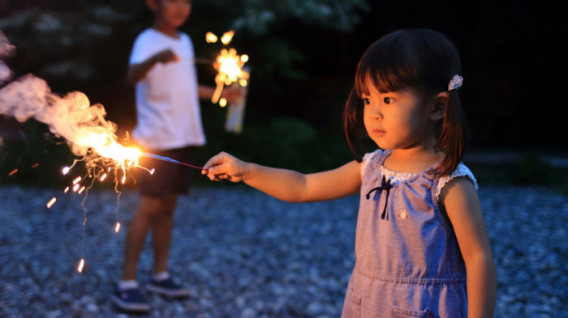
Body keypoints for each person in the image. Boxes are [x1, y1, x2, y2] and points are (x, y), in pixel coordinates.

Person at [203, 29, 496, 317]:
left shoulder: (447, 183)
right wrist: (247, 171)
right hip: (368, 301)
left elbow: (478, 258)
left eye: (388, 99)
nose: (374, 113)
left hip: (424, 307)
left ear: (437, 106)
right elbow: (303, 187)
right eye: (368, 99)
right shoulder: (370, 168)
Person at [112, 0, 241, 313]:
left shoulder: (183, 41)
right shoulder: (147, 40)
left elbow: (185, 87)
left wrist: (220, 94)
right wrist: (155, 58)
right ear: (154, 4)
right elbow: (132, 76)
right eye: (173, 1)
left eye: (186, 1)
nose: (181, 7)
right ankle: (126, 283)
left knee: (169, 208)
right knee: (150, 206)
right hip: (157, 140)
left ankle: (160, 275)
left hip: (185, 135)